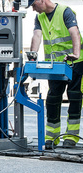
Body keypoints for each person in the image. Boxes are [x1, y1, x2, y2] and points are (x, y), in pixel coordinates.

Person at [28, 0, 83, 149]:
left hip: (75, 62)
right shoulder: (39, 18)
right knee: (52, 99)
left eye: (33, 5)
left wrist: (76, 54)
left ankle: (71, 137)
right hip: (55, 65)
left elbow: (74, 32)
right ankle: (51, 138)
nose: (33, 9)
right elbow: (37, 36)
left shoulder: (65, 11)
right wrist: (33, 56)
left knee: (75, 97)